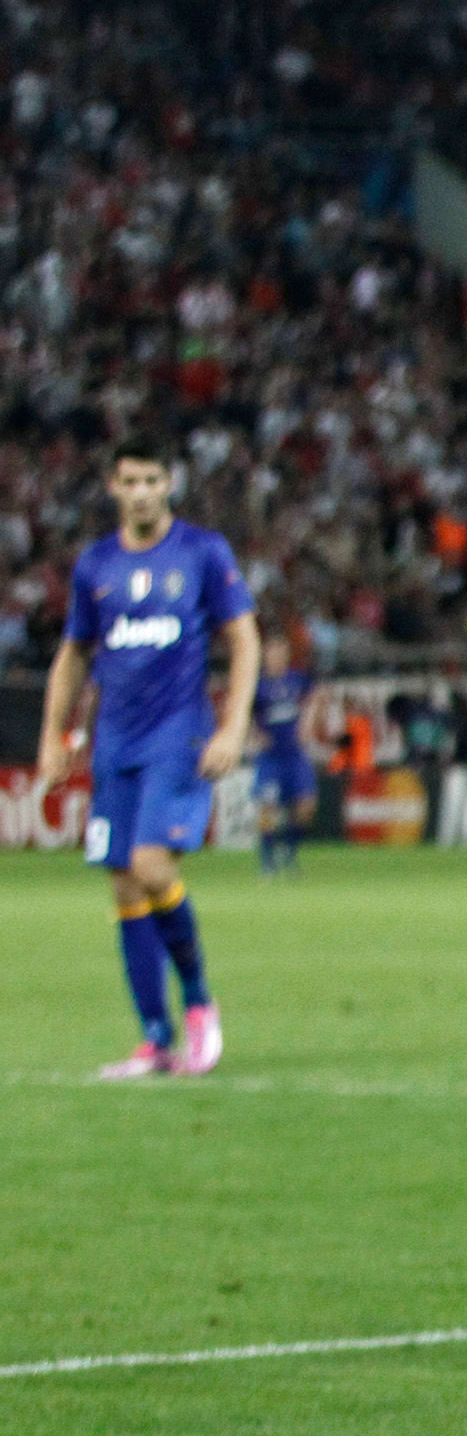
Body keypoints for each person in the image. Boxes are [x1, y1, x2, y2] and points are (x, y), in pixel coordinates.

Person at [34, 441, 258, 1077]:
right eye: (130, 481)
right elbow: (74, 653)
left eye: (152, 480)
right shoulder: (96, 564)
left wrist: (233, 727)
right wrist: (53, 735)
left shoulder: (203, 552)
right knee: (125, 886)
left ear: (169, 484)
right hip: (115, 741)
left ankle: (200, 1002)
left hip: (179, 734)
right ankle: (155, 1040)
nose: (140, 492)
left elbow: (243, 637)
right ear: (113, 486)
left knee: (151, 865)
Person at [250, 613, 319, 879]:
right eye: (271, 652)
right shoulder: (258, 685)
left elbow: (316, 695)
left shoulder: (296, 679)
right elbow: (244, 711)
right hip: (270, 756)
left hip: (295, 754)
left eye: (280, 652)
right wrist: (255, 733)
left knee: (306, 808)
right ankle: (267, 861)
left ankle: (288, 853)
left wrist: (308, 721)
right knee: (267, 809)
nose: (275, 657)